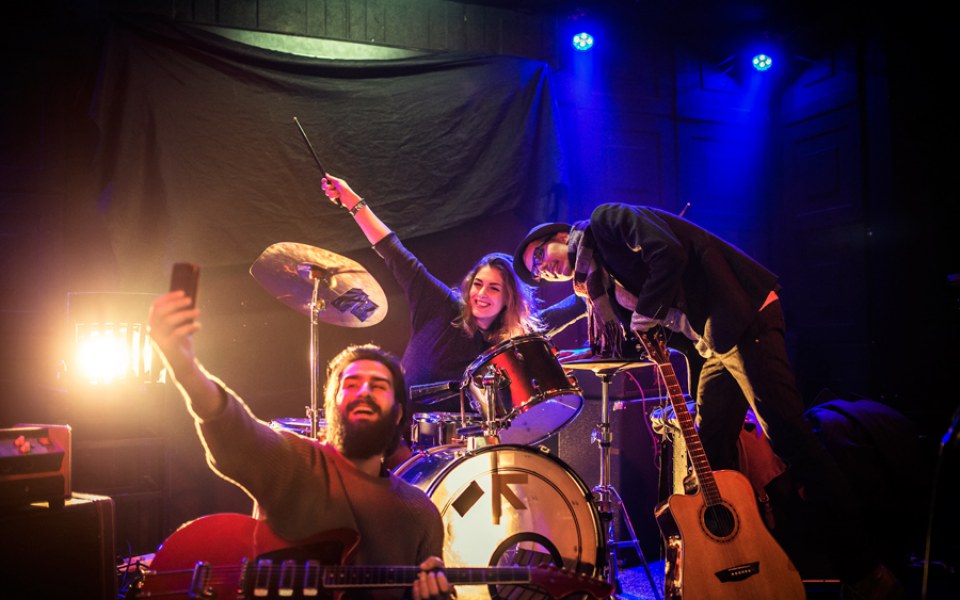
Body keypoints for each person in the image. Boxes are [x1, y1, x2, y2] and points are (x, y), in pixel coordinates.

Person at [512, 202, 903, 599]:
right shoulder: (600, 282)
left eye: (541, 255)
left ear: (561, 236)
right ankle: (746, 566)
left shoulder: (606, 220)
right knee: (709, 456)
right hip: (715, 342)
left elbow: (668, 251)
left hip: (742, 317)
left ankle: (867, 570)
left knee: (792, 441)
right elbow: (640, 328)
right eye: (539, 271)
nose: (545, 269)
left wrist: (648, 312)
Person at [148, 290, 454, 600]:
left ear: (398, 411)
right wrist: (185, 368)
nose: (363, 391)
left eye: (378, 386)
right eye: (350, 384)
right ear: (331, 405)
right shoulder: (294, 461)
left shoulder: (420, 515)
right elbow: (232, 425)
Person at [320, 175, 585, 411]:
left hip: (467, 446)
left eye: (494, 288)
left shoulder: (516, 337)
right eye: (477, 284)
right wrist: (352, 202)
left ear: (509, 300)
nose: (481, 294)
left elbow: (579, 302)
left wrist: (598, 269)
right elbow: (394, 252)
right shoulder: (442, 305)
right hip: (403, 426)